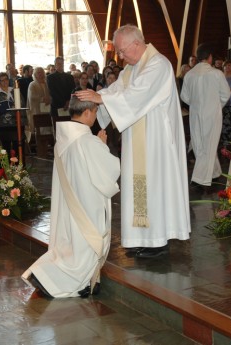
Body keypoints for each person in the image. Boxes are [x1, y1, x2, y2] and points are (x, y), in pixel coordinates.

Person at [76, 24, 191, 258]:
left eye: (122, 50)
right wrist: (97, 100)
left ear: (136, 44)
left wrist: (101, 98)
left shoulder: (158, 64)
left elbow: (138, 95)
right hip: (138, 139)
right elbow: (117, 91)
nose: (120, 56)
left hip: (157, 142)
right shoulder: (131, 69)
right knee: (138, 187)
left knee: (155, 187)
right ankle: (142, 238)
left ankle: (158, 241)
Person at [22, 95, 120, 298]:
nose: (95, 117)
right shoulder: (87, 141)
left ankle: (54, 275)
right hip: (86, 203)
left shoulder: (64, 138)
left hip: (69, 202)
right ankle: (58, 280)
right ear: (86, 112)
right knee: (85, 245)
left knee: (72, 245)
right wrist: (102, 144)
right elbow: (109, 171)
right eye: (94, 112)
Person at [180, 43, 231, 187]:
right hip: (212, 114)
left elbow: (184, 97)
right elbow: (226, 94)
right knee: (209, 144)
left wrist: (196, 104)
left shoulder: (190, 74)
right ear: (210, 57)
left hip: (195, 114)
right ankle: (199, 178)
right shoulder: (217, 73)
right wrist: (215, 105)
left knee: (200, 145)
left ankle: (214, 173)